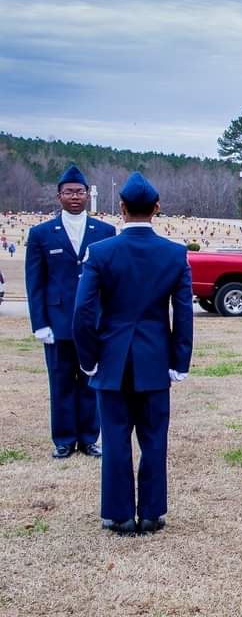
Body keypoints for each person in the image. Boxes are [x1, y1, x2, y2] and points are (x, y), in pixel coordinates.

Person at [72, 172, 193, 535]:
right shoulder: (175, 253)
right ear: (157, 208)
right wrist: (179, 361)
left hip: (112, 358)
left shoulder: (101, 251)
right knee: (154, 439)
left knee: (115, 438)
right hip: (155, 358)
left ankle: (119, 514)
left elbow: (82, 312)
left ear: (121, 208)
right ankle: (152, 513)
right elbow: (183, 313)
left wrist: (88, 357)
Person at [25, 164, 116, 459]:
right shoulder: (41, 233)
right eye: (68, 192)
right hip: (58, 322)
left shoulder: (105, 231)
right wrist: (40, 323)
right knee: (61, 382)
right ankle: (63, 439)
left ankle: (90, 438)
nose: (74, 196)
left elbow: (111, 283)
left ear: (88, 194)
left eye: (79, 191)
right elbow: (35, 282)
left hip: (93, 322)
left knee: (92, 382)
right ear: (58, 196)